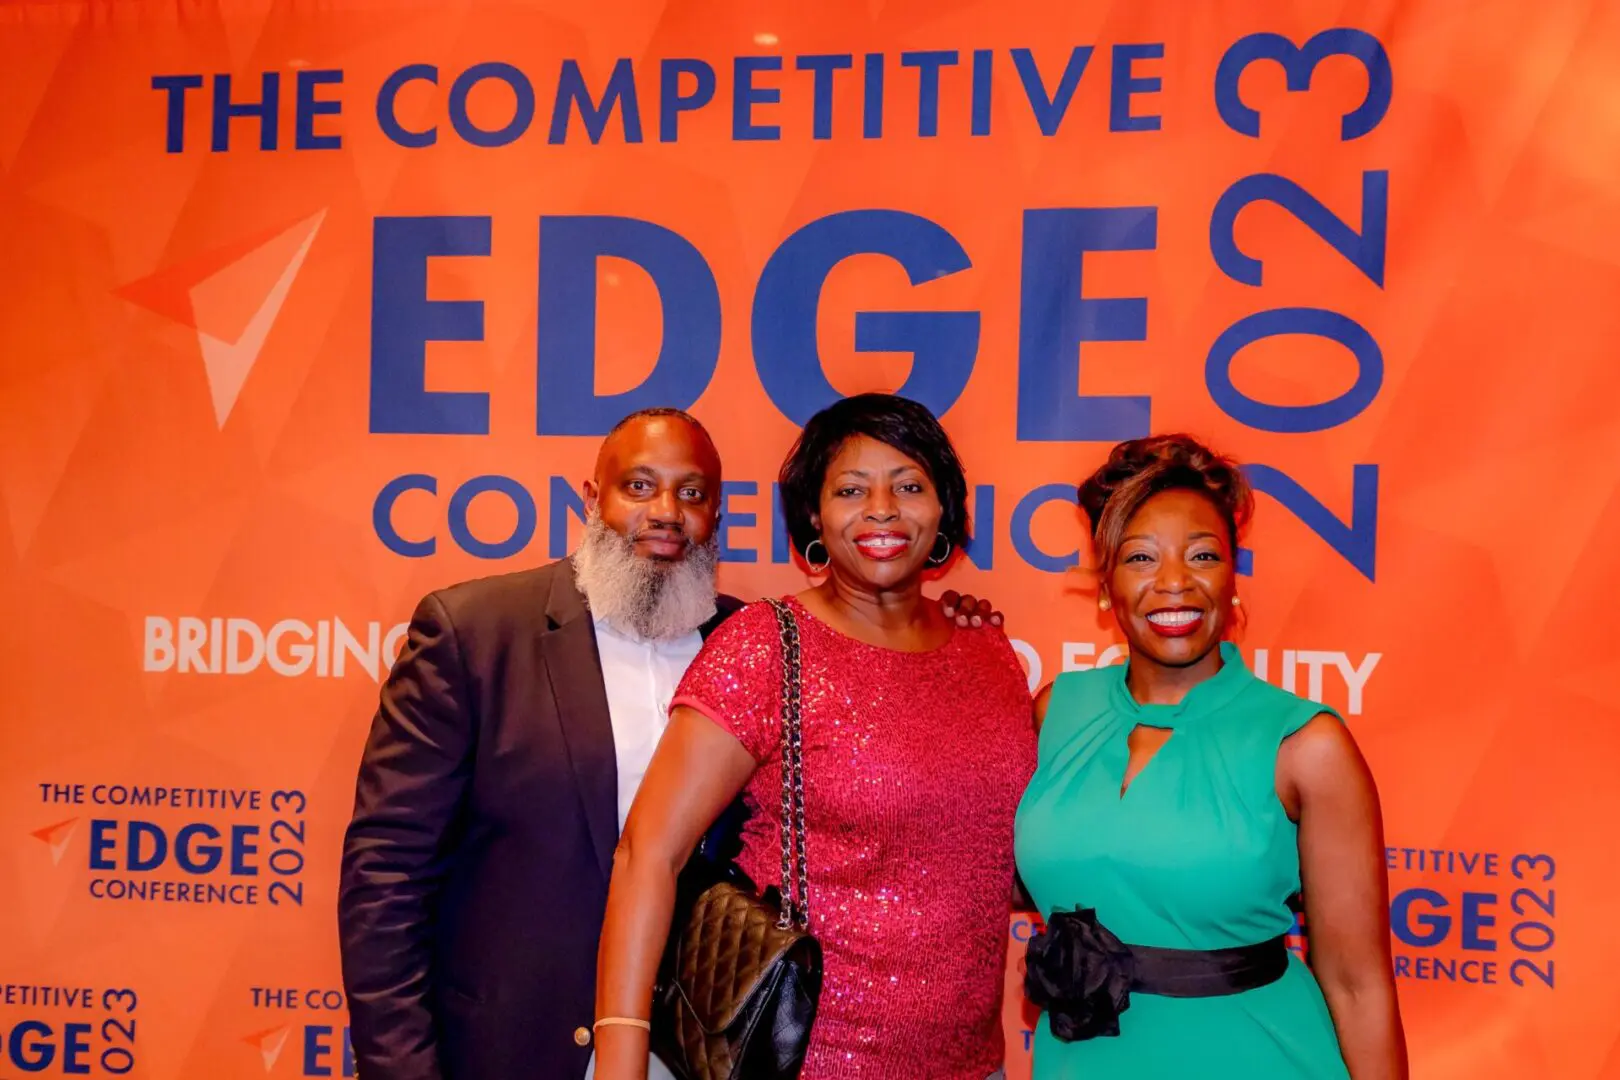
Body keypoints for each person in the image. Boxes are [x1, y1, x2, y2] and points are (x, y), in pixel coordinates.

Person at [338, 406, 1000, 1080]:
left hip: (705, 1044)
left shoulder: (758, 641)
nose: (666, 512)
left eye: (691, 494)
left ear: (717, 513)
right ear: (593, 499)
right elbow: (385, 875)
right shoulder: (476, 634)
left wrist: (953, 627)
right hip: (515, 1045)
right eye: (639, 487)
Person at [592, 392, 1035, 1080]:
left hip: (976, 1066)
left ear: (944, 508)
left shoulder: (990, 657)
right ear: (815, 520)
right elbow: (647, 854)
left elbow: (1001, 862)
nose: (882, 509)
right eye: (852, 489)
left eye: (910, 486)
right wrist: (622, 1061)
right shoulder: (767, 645)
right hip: (804, 1062)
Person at [1014, 434, 1407, 1079]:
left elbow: (1359, 986)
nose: (1175, 583)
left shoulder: (1305, 744)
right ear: (1107, 582)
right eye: (1141, 558)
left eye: (1203, 556)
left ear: (1232, 576)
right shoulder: (1055, 712)